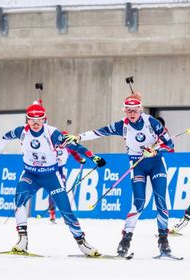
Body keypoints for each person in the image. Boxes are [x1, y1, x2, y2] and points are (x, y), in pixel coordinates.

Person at [0, 100, 105, 256]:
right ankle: (22, 240)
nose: (36, 123)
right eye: (32, 120)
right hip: (30, 174)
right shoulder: (21, 131)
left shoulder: (52, 133)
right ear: (27, 119)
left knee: (66, 210)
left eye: (39, 119)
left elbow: (73, 145)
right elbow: (5, 138)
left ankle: (83, 244)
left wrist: (93, 157)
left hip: (51, 176)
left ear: (44, 119)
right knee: (19, 200)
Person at [63, 93, 175, 257]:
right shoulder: (122, 125)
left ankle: (163, 241)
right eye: (128, 110)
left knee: (160, 201)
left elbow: (170, 145)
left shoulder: (151, 122)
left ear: (140, 109)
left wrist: (155, 150)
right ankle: (125, 240)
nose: (131, 113)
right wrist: (79, 137)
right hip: (138, 165)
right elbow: (100, 132)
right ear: (125, 111)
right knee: (138, 203)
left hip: (157, 164)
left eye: (134, 110)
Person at [48, 133, 87, 223]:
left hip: (61, 170)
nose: (64, 143)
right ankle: (52, 213)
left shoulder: (69, 147)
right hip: (51, 169)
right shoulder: (52, 144)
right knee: (53, 191)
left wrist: (81, 160)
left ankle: (66, 215)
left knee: (61, 191)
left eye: (66, 141)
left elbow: (75, 154)